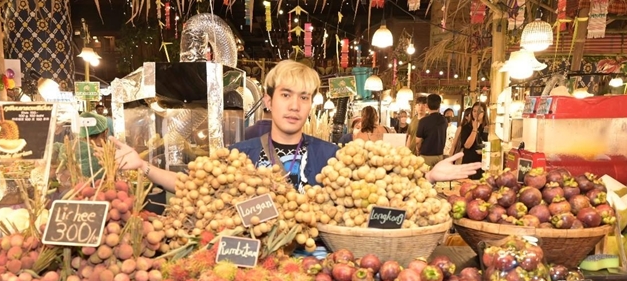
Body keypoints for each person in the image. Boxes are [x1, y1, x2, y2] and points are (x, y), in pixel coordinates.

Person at [106, 60, 481, 191]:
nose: (295, 105)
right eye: (286, 95)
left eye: (304, 97)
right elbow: (193, 183)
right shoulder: (242, 155)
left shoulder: (331, 155)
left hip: (318, 267)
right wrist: (143, 166)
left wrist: (429, 177)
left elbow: (378, 186)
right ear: (268, 101)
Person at [416, 94, 448, 166]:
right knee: (437, 177)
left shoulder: (423, 121)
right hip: (439, 155)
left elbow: (418, 141)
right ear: (439, 106)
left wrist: (418, 150)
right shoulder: (444, 120)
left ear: (426, 105)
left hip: (426, 156)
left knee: (425, 176)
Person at [459, 101, 489, 179]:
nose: (476, 113)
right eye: (474, 111)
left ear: (484, 113)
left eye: (479, 111)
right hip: (469, 162)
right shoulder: (466, 127)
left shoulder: (488, 128)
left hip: (483, 163)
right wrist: (474, 129)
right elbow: (467, 145)